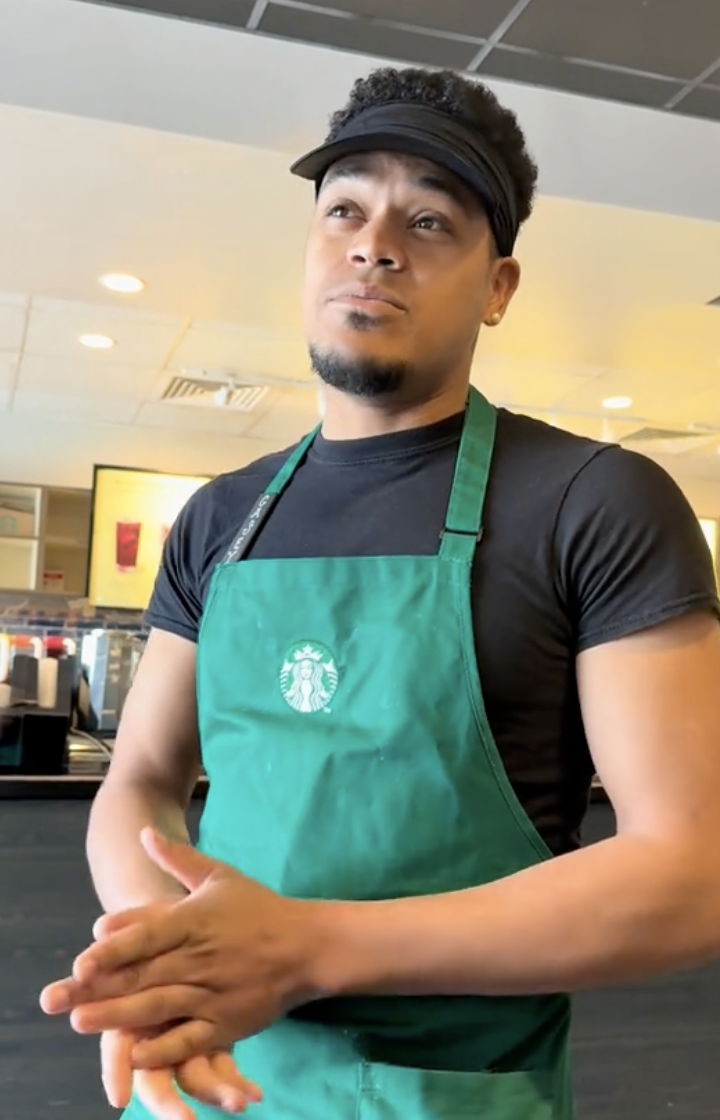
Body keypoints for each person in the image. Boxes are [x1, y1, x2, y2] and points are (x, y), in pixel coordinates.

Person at [41, 65, 720, 1120]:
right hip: (209, 1083)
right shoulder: (220, 518)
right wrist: (170, 953)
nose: (375, 244)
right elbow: (139, 779)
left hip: (447, 1095)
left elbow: (690, 872)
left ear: (499, 288)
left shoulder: (594, 503)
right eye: (345, 210)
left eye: (431, 220)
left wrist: (306, 948)